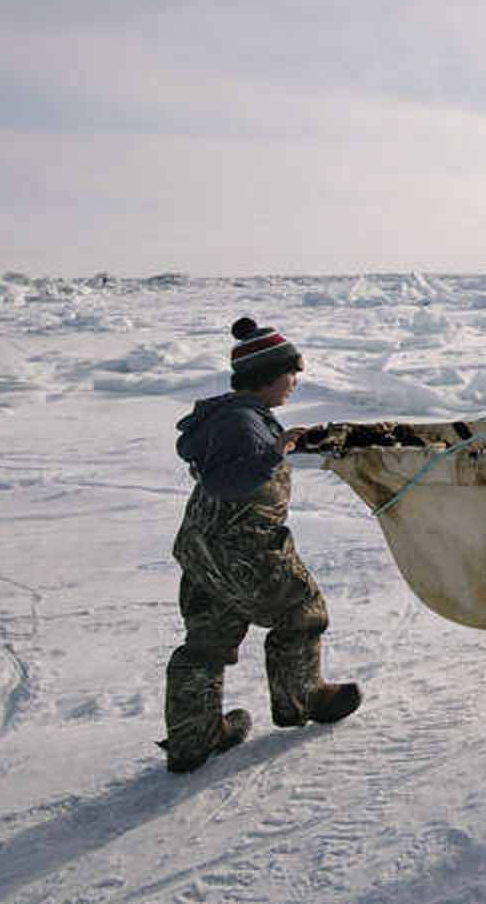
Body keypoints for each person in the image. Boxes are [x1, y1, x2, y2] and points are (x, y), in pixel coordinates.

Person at [159, 317, 361, 774]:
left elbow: (233, 462)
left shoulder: (234, 416)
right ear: (267, 375)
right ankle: (302, 698)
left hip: (200, 547)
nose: (296, 381)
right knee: (303, 610)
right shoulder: (242, 424)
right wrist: (275, 451)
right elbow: (234, 479)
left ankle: (193, 738)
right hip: (243, 548)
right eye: (292, 373)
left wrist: (285, 444)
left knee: (206, 642)